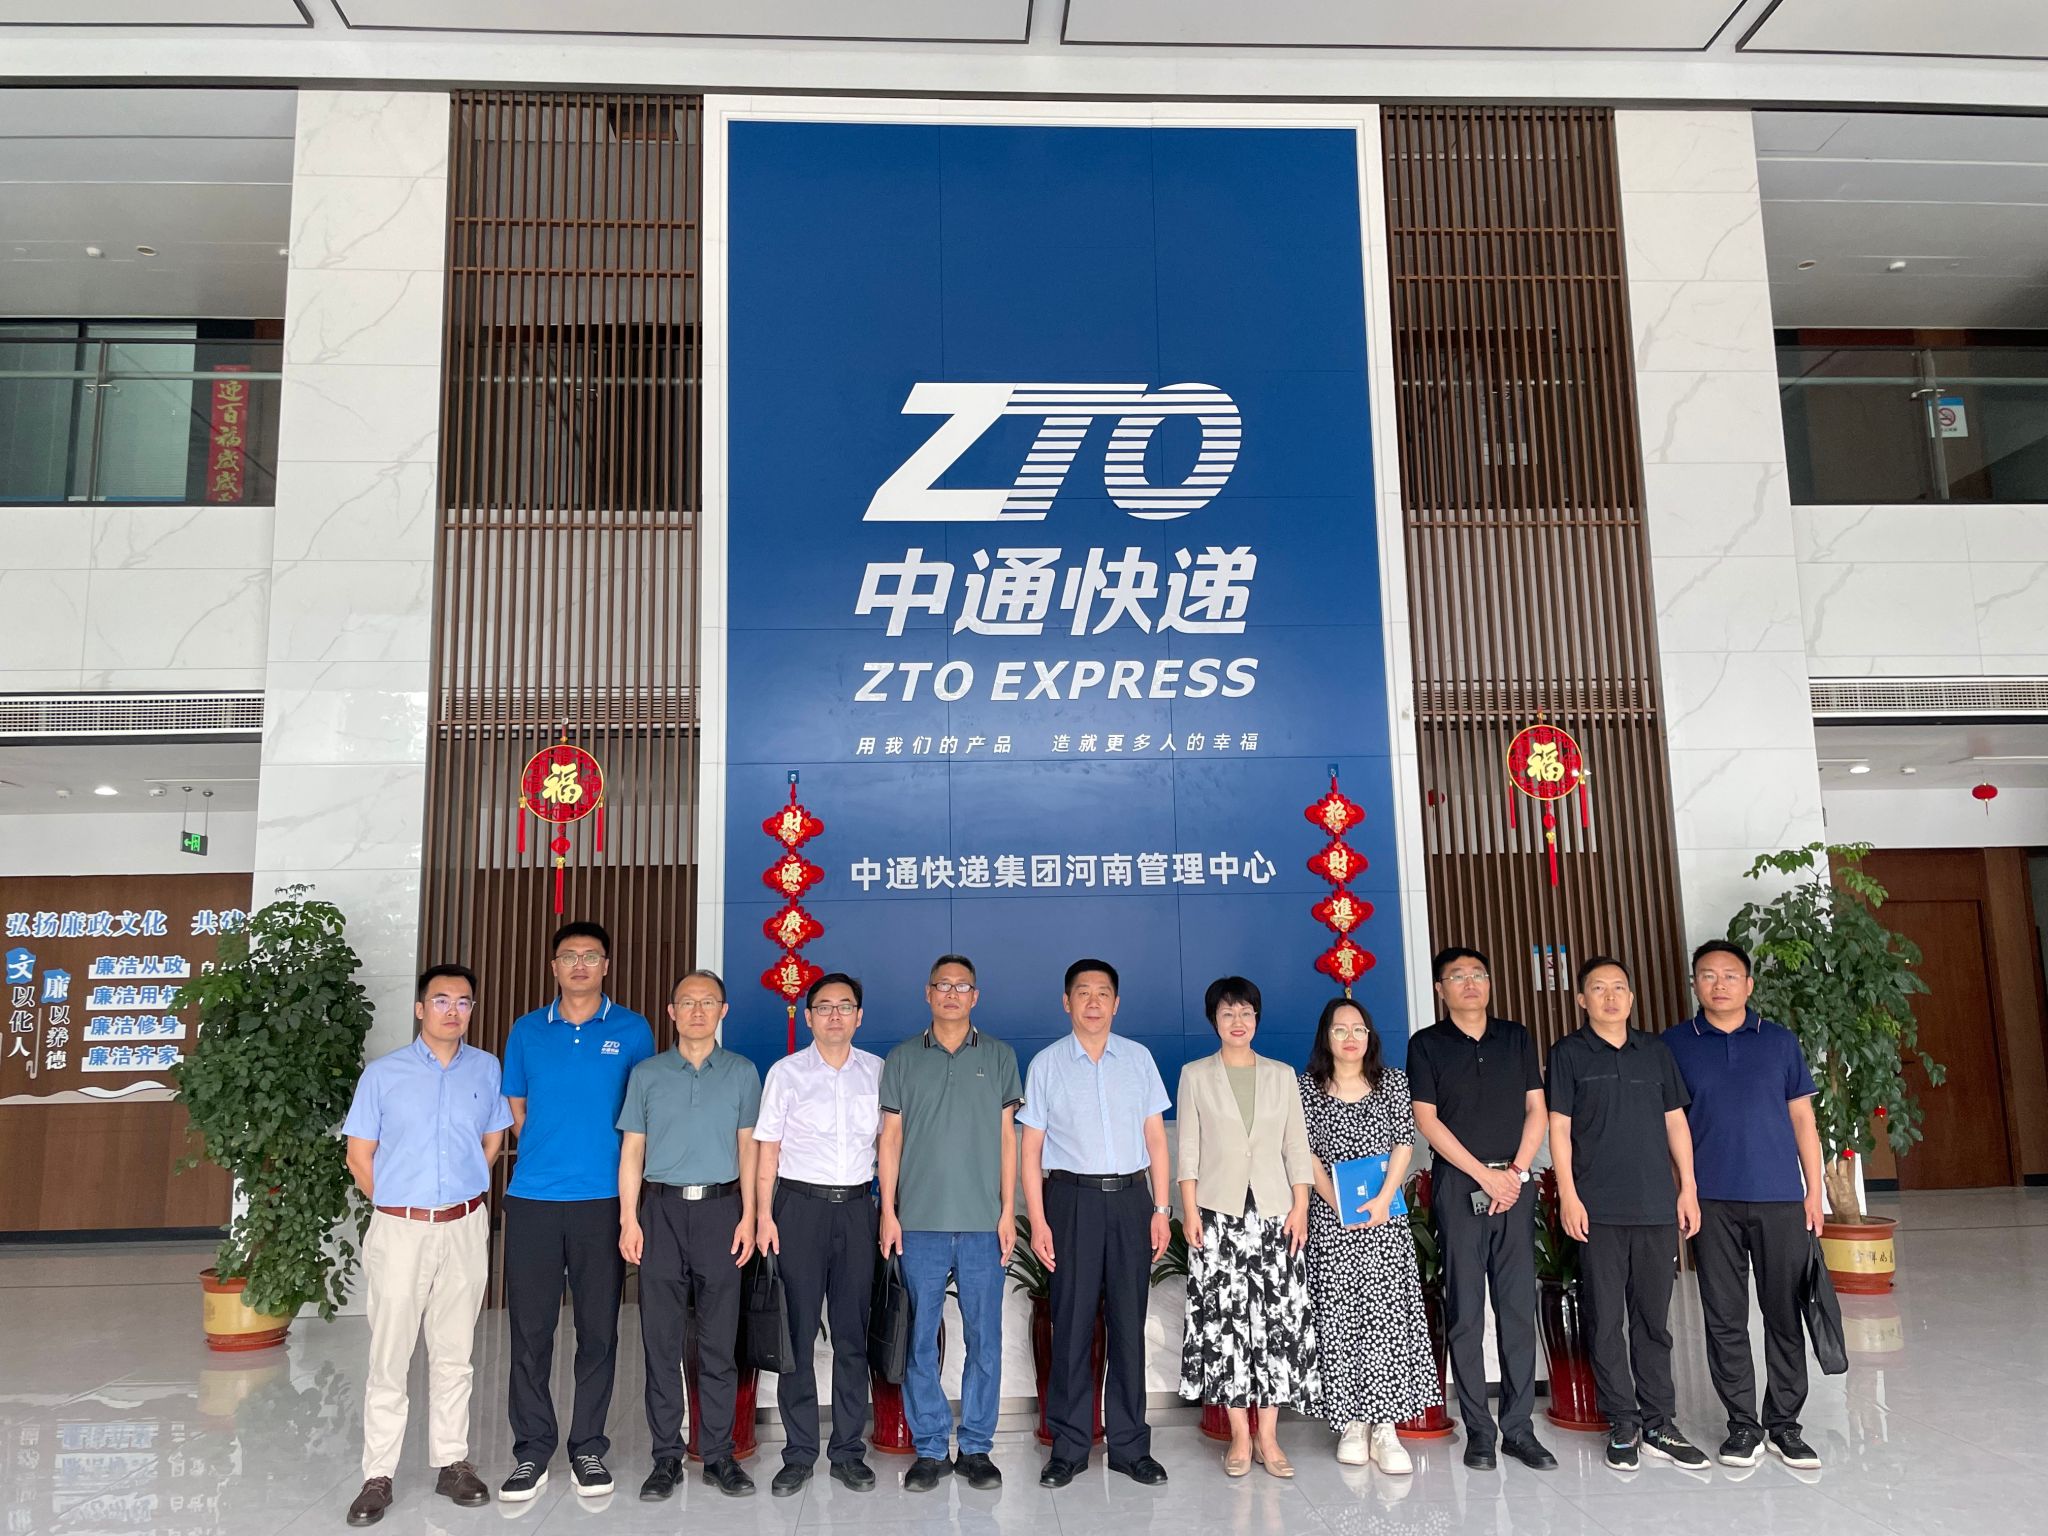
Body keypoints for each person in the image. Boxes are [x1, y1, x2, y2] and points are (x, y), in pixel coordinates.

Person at [340, 964, 512, 1527]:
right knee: (390, 1355)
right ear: (420, 1009)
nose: (452, 1011)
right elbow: (359, 1157)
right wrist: (400, 1204)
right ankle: (378, 1474)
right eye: (441, 1000)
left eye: (463, 1002)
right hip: (400, 1229)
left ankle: (452, 1462)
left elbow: (492, 1137)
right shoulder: (383, 1075)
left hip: (463, 1225)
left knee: (455, 1350)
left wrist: (461, 1191)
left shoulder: (486, 1068)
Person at [498, 920, 655, 1502]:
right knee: (530, 1332)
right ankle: (532, 1450)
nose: (581, 965)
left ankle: (587, 1446)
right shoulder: (526, 1030)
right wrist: (549, 1150)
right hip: (534, 1201)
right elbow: (518, 1107)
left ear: (606, 966)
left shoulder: (633, 1030)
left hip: (604, 1203)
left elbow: (642, 1115)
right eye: (570, 956)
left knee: (598, 1331)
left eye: (592, 956)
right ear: (555, 966)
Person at [1665, 939, 1826, 1471]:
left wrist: (1814, 1191)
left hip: (1781, 1197)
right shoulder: (1674, 1045)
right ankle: (1742, 1426)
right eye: (1708, 975)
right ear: (1694, 984)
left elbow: (1802, 1118)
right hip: (1711, 1200)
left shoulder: (1779, 1041)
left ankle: (1785, 1425)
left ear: (1749, 985)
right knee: (1724, 1316)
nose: (1719, 984)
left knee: (1784, 1313)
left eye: (1730, 975)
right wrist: (1684, 1190)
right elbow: (1670, 1126)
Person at [1547, 955, 1708, 1472]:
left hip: (1656, 1205)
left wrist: (1688, 1189)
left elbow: (1676, 1123)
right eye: (1598, 988)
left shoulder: (1655, 1052)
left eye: (1619, 987)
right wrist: (1569, 1195)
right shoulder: (1568, 1053)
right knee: (1605, 1320)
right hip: (1597, 1209)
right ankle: (1623, 1422)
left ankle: (1659, 1421)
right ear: (1581, 1000)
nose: (1611, 996)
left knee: (1653, 1320)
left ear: (1632, 998)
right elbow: (1559, 1129)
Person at [1021, 958, 1173, 1490]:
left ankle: (1130, 1447)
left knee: (1129, 1325)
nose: (1093, 1002)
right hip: (1072, 1201)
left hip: (1131, 1200)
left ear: (1116, 1003)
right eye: (1082, 992)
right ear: (1066, 1002)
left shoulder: (1138, 1059)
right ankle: (1068, 1447)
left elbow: (1156, 1140)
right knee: (1071, 1326)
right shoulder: (1046, 1064)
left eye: (1103, 993)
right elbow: (1031, 1149)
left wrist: (1161, 1210)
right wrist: (1039, 1220)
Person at [1408, 947, 1557, 1473]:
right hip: (1458, 1187)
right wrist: (1483, 1174)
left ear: (1490, 983)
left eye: (1478, 974)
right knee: (1465, 1312)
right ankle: (1478, 1430)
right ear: (1440, 989)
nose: (1470, 983)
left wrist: (1514, 1173)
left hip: (1514, 1186)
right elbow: (1427, 1120)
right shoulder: (1426, 1045)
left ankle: (1519, 1430)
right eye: (1457, 976)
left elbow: (1537, 1108)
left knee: (1517, 1310)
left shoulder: (1515, 1037)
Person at [877, 953, 1023, 1493]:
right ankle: (931, 1447)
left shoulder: (1000, 1056)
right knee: (920, 1339)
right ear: (928, 992)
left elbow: (1007, 1139)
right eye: (943, 985)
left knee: (985, 1339)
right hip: (919, 1223)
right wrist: (888, 1211)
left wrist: (1007, 1211)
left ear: (975, 996)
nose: (952, 994)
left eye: (962, 986)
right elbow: (890, 1139)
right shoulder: (902, 1058)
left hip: (984, 1224)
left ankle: (977, 1446)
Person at [618, 969, 762, 1500]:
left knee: (719, 1343)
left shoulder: (742, 1072)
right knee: (661, 1341)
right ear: (671, 1011)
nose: (697, 1011)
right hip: (660, 1212)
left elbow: (749, 1148)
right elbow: (633, 1150)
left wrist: (749, 1215)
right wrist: (629, 1218)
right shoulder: (647, 1074)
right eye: (687, 1002)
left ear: (723, 1011)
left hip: (722, 1211)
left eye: (708, 1002)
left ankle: (718, 1455)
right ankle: (665, 1457)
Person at [1175, 976, 1318, 1479]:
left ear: (1257, 1019)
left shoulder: (1282, 1075)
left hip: (1277, 1213)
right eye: (1228, 1013)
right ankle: (1239, 1436)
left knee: (1278, 1323)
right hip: (1218, 1212)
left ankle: (1269, 1437)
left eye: (1246, 1013)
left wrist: (1301, 1206)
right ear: (1213, 1020)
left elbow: (1296, 1146)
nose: (1238, 1022)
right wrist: (1189, 1211)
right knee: (1226, 1324)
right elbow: (1188, 1149)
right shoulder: (1195, 1075)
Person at [753, 972, 885, 1497]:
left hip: (856, 1210)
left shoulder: (877, 1072)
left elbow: (890, 1148)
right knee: (797, 1336)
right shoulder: (786, 1073)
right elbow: (768, 1150)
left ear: (859, 1016)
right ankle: (800, 1453)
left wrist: (889, 1210)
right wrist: (765, 1216)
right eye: (824, 1007)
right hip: (798, 1210)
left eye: (844, 1006)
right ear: (807, 1017)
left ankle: (848, 1451)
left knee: (853, 1337)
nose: (834, 1015)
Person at [1298, 997, 1440, 1475]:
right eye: (1340, 1030)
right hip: (1332, 1222)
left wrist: (1382, 1200)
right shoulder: (1306, 1088)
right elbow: (1305, 1154)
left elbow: (1404, 1143)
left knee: (1387, 1320)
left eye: (1358, 1028)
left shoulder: (1392, 1082)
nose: (1350, 1037)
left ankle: (1386, 1428)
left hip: (1384, 1220)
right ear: (1326, 1037)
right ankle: (1352, 1424)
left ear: (1370, 1035)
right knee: (1340, 1319)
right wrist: (1336, 1202)